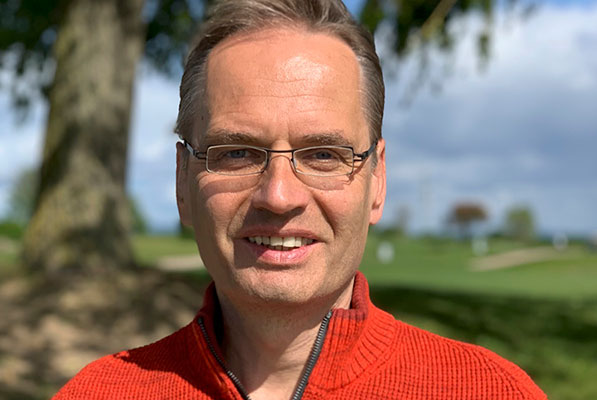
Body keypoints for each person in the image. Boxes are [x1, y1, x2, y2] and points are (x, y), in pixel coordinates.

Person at [54, 0, 547, 399]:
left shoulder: (488, 390)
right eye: (238, 152)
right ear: (184, 182)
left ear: (376, 182)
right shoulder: (98, 392)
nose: (279, 194)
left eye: (324, 155)